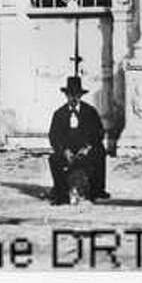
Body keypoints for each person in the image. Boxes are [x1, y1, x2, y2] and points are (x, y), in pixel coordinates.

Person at [47, 76, 109, 204]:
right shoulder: (59, 114)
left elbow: (99, 132)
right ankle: (61, 192)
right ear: (66, 95)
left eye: (77, 95)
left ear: (81, 95)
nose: (74, 98)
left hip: (85, 150)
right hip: (68, 151)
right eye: (71, 95)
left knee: (100, 152)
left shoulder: (90, 112)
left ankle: (97, 190)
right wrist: (64, 150)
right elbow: (54, 136)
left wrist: (87, 147)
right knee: (54, 158)